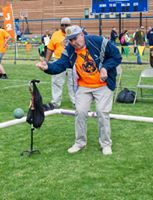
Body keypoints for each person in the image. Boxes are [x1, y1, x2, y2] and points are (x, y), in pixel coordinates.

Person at [36, 25, 122, 155]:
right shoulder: (70, 49)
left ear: (82, 35)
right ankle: (80, 143)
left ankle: (106, 144)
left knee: (102, 112)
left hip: (103, 85)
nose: (74, 42)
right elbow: (60, 65)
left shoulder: (98, 41)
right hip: (84, 86)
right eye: (70, 40)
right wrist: (47, 67)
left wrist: (105, 67)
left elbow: (116, 56)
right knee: (80, 112)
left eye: (75, 38)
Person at [43, 17, 75, 110]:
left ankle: (76, 102)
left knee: (73, 83)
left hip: (71, 62)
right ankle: (55, 103)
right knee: (56, 83)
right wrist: (46, 61)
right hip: (58, 61)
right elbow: (50, 48)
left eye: (66, 25)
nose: (64, 27)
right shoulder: (55, 35)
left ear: (70, 25)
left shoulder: (74, 34)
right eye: (62, 25)